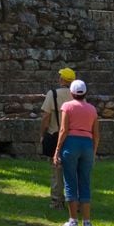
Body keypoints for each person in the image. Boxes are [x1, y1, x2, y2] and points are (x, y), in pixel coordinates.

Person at [53, 78, 100, 226]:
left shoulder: (67, 106)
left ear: (71, 93)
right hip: (87, 143)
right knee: (85, 182)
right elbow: (96, 134)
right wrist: (93, 151)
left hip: (71, 143)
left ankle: (73, 221)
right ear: (85, 92)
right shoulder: (92, 109)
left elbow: (64, 129)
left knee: (70, 181)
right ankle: (87, 222)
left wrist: (57, 150)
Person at [40, 66, 76, 208]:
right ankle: (74, 201)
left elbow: (46, 117)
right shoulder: (76, 95)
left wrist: (42, 133)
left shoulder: (53, 94)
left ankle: (56, 201)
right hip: (73, 136)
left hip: (55, 134)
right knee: (73, 170)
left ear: (61, 79)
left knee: (56, 169)